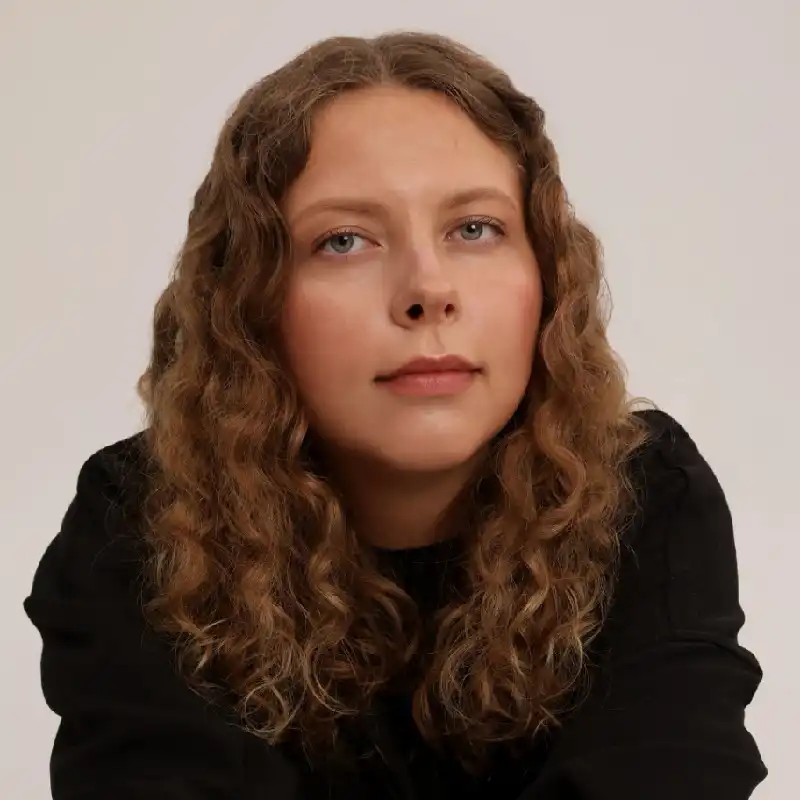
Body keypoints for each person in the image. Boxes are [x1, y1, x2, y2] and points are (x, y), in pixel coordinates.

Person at [24, 31, 766, 800]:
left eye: (474, 228)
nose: (427, 290)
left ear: (546, 274)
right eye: (344, 240)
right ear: (249, 302)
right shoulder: (142, 520)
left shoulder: (641, 492)